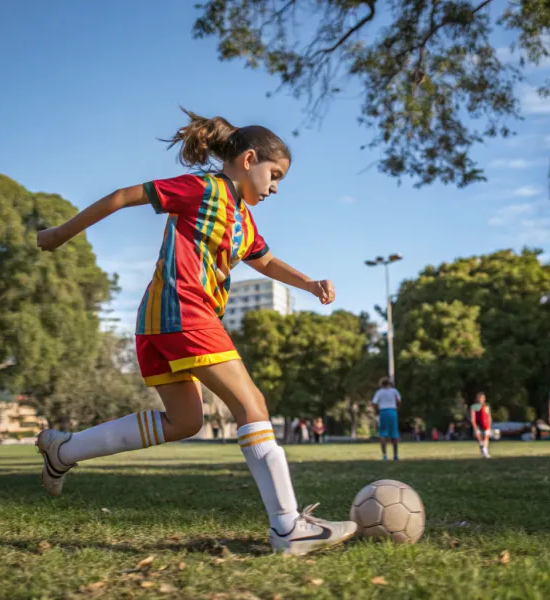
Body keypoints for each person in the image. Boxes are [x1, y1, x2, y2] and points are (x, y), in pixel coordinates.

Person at [34, 111, 357, 556]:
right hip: (183, 309)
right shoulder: (203, 188)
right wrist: (60, 234)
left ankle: (63, 451)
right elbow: (125, 196)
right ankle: (287, 527)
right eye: (274, 174)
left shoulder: (243, 220)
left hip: (160, 322)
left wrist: (309, 283)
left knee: (184, 421)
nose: (276, 186)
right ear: (248, 160)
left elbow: (263, 260)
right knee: (251, 404)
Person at [372, 377, 401, 460]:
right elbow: (399, 401)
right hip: (392, 411)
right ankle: (395, 455)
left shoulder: (379, 392)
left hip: (383, 412)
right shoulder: (394, 391)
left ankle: (384, 455)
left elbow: (374, 403)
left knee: (383, 433)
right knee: (394, 434)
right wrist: (396, 408)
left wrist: (377, 410)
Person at [470, 393, 492, 458]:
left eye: (483, 398)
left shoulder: (486, 406)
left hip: (486, 424)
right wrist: (474, 426)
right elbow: (473, 418)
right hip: (478, 424)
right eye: (480, 398)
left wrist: (489, 424)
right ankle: (484, 451)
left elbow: (488, 416)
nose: (481, 399)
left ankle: (485, 451)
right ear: (477, 399)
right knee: (480, 439)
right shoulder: (474, 407)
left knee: (486, 437)